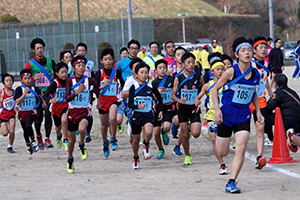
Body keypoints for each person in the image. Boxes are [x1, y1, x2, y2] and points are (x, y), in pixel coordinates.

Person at [212, 37, 262, 193]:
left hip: (243, 115)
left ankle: (231, 182)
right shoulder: (231, 71)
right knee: (222, 152)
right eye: (243, 50)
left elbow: (253, 92)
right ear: (237, 54)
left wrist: (258, 111)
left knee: (241, 147)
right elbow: (214, 89)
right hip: (226, 113)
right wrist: (218, 110)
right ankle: (214, 129)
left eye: (249, 50)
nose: (247, 53)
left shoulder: (256, 73)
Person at [65, 55, 100, 174]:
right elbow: (67, 98)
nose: (81, 67)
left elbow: (96, 86)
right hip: (72, 112)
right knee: (71, 141)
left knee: (82, 128)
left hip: (85, 111)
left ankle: (82, 144)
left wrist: (98, 98)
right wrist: (77, 92)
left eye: (83, 66)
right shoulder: (70, 81)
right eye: (78, 66)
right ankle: (70, 159)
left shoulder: (89, 79)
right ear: (73, 68)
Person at [194, 53, 227, 175]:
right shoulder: (208, 85)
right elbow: (199, 97)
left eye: (223, 69)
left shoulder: (228, 84)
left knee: (222, 139)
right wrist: (197, 100)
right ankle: (222, 164)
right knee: (214, 138)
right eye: (218, 70)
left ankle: (223, 154)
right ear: (212, 71)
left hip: (225, 114)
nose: (221, 72)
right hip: (212, 115)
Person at [128, 62, 163, 169]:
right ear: (136, 75)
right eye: (141, 72)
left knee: (149, 132)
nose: (144, 75)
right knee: (135, 140)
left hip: (148, 115)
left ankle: (146, 143)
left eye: (146, 73)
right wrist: (137, 107)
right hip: (136, 116)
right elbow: (129, 104)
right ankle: (135, 157)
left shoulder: (151, 86)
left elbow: (160, 99)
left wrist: (160, 111)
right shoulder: (133, 87)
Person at [24, 38, 56, 149]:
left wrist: (54, 84)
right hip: (36, 94)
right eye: (37, 48)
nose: (40, 50)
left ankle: (47, 138)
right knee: (38, 118)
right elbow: (24, 79)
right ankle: (38, 135)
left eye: (41, 48)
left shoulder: (50, 61)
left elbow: (57, 72)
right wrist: (33, 78)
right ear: (33, 50)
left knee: (48, 115)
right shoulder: (30, 64)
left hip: (48, 93)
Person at [171, 53, 202, 165]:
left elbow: (203, 89)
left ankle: (189, 127)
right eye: (188, 62)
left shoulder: (199, 77)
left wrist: (198, 98)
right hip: (182, 109)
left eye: (193, 62)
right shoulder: (178, 78)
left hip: (194, 109)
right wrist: (179, 100)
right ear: (183, 64)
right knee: (184, 135)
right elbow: (173, 95)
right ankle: (187, 155)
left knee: (196, 133)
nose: (191, 65)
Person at [249, 36, 275, 169]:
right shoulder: (249, 63)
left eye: (265, 47)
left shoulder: (266, 65)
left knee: (260, 128)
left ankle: (259, 157)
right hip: (247, 100)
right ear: (254, 50)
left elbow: (264, 80)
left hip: (260, 100)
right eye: (261, 47)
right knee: (245, 130)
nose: (264, 50)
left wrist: (269, 91)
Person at [95, 48, 125, 157]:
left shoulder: (117, 72)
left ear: (113, 60)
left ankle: (113, 138)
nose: (108, 61)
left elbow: (124, 85)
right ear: (101, 61)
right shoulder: (99, 73)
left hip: (114, 100)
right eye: (105, 59)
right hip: (103, 102)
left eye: (110, 59)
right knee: (103, 125)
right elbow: (94, 88)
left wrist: (123, 93)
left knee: (113, 118)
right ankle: (105, 142)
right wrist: (102, 86)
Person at [265, 73, 300, 153]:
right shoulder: (293, 92)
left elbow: (268, 108)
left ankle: (270, 139)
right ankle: (293, 136)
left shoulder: (278, 93)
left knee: (265, 115)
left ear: (276, 84)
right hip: (298, 122)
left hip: (288, 122)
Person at [68, 42, 95, 143]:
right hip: (75, 89)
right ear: (76, 52)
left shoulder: (90, 63)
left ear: (86, 52)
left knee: (88, 109)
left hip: (87, 89)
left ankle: (87, 132)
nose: (81, 52)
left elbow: (92, 75)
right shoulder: (72, 63)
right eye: (79, 51)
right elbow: (69, 74)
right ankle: (78, 126)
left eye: (83, 50)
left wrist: (92, 87)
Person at [15, 69, 46, 154]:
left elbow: (41, 94)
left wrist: (43, 102)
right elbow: (17, 102)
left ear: (32, 79)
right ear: (21, 80)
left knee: (29, 125)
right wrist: (25, 93)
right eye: (25, 78)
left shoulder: (34, 89)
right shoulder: (19, 89)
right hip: (22, 113)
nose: (27, 80)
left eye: (29, 78)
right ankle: (28, 144)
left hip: (32, 112)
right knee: (25, 130)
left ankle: (33, 140)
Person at [152, 59, 176, 159]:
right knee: (155, 133)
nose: (162, 70)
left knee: (166, 127)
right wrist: (157, 93)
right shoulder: (153, 83)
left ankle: (164, 132)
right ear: (155, 70)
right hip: (157, 108)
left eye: (164, 68)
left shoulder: (172, 79)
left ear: (167, 69)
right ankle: (161, 149)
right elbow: (152, 97)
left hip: (168, 107)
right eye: (160, 68)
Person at [42, 62, 69, 151]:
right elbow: (45, 95)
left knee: (64, 120)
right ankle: (59, 136)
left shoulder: (69, 81)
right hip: (56, 107)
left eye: (66, 72)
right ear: (57, 73)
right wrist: (50, 100)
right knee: (58, 127)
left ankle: (65, 139)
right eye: (62, 72)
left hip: (66, 105)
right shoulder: (55, 83)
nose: (64, 74)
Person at [114, 47, 129, 134]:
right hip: (121, 90)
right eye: (123, 53)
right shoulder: (118, 64)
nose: (125, 54)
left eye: (126, 53)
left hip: (130, 89)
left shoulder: (132, 63)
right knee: (118, 118)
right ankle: (119, 123)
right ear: (120, 54)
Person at [0, 73, 16, 153]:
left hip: (12, 114)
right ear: (3, 83)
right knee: (5, 133)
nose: (9, 82)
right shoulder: (1, 92)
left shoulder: (14, 92)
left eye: (10, 81)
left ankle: (10, 146)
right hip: (3, 114)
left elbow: (17, 101)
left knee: (12, 131)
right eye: (7, 81)